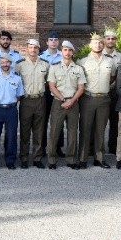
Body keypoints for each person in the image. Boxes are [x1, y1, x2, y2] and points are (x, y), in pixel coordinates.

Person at [47, 40, 86, 169]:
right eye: (65, 50)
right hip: (59, 103)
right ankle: (52, 159)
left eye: (70, 50)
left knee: (72, 132)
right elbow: (51, 86)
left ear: (73, 53)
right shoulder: (54, 67)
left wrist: (71, 100)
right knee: (54, 132)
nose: (67, 52)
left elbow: (81, 88)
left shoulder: (78, 69)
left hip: (73, 103)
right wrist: (64, 100)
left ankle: (70, 159)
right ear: (61, 51)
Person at [78, 34, 114, 168]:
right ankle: (82, 158)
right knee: (85, 129)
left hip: (104, 99)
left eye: (100, 42)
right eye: (95, 42)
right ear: (90, 45)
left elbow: (112, 77)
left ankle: (99, 158)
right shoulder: (83, 62)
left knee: (100, 130)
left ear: (103, 44)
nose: (97, 45)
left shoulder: (109, 61)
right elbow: (79, 81)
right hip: (88, 98)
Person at [15, 39, 50, 168]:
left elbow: (48, 82)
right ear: (27, 48)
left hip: (40, 100)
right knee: (24, 130)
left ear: (39, 48)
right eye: (30, 47)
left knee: (39, 130)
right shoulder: (20, 64)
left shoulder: (45, 64)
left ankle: (37, 158)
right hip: (26, 100)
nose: (33, 50)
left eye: (35, 47)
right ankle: (24, 158)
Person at [0, 54, 24, 169]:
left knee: (11, 136)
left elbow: (19, 95)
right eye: (2, 62)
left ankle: (10, 160)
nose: (5, 65)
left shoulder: (17, 78)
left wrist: (10, 103)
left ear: (11, 63)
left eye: (7, 62)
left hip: (11, 110)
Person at [39, 31, 63, 158]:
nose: (53, 42)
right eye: (51, 40)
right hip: (45, 91)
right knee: (43, 120)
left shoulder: (63, 56)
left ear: (58, 42)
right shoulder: (41, 56)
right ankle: (42, 147)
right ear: (47, 42)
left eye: (55, 39)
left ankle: (58, 147)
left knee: (58, 120)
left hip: (59, 91)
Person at [101, 29, 121, 158]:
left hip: (116, 93)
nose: (110, 41)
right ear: (104, 40)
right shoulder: (99, 54)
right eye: (108, 38)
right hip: (103, 92)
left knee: (115, 122)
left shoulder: (120, 57)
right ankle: (96, 147)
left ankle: (113, 146)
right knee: (100, 121)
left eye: (113, 38)